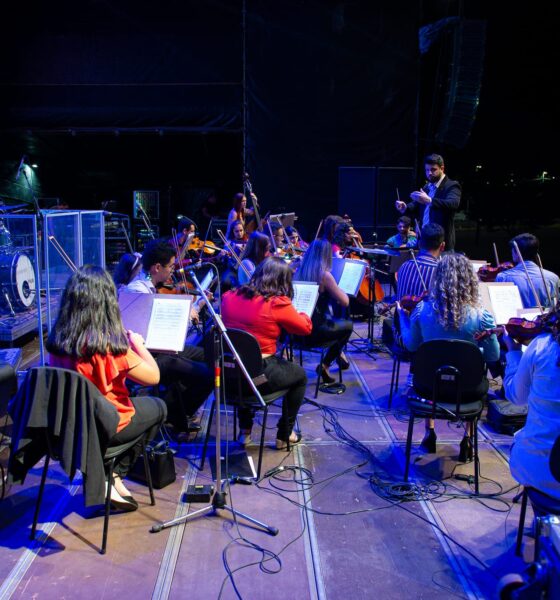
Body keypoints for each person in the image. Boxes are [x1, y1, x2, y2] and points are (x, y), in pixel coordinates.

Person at [46, 266, 167, 511]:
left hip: (70, 426)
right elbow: (154, 376)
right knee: (159, 407)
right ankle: (112, 473)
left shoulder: (57, 339)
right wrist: (138, 344)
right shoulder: (110, 347)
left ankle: (109, 477)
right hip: (104, 425)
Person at [400, 253, 500, 456]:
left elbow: (411, 346)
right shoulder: (482, 316)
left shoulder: (421, 309)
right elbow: (493, 356)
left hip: (428, 388)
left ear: (437, 279)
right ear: (470, 280)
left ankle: (430, 433)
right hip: (468, 390)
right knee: (473, 372)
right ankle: (467, 439)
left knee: (432, 367)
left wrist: (402, 317)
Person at [221, 257, 312, 448]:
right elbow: (305, 329)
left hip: (227, 378)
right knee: (300, 376)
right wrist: (301, 313)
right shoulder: (276, 303)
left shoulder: (229, 296)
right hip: (257, 379)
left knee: (242, 360)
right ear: (281, 281)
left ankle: (244, 432)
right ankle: (284, 434)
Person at [126, 240, 213, 433]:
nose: (173, 271)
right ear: (157, 267)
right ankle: (176, 413)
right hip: (149, 356)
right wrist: (190, 313)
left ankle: (177, 407)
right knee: (208, 374)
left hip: (158, 349)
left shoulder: (150, 284)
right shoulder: (138, 291)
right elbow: (156, 335)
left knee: (209, 357)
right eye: (171, 266)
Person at [502, 303, 560, 501]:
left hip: (540, 470)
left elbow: (517, 398)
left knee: (522, 438)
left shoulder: (543, 346)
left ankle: (544, 520)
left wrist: (514, 352)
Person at [295, 239, 353, 383]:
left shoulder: (298, 271)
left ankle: (336, 357)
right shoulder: (324, 275)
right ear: (326, 255)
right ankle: (325, 364)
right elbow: (345, 301)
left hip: (296, 330)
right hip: (315, 331)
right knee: (347, 326)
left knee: (334, 326)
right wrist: (338, 288)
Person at [395, 153, 461, 251]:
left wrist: (429, 200)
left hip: (441, 241)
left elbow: (453, 204)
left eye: (433, 169)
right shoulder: (427, 187)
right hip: (424, 239)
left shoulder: (451, 185)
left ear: (442, 168)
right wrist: (405, 207)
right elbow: (417, 204)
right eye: (427, 170)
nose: (429, 173)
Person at [496, 233, 559, 308]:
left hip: (515, 319)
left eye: (512, 251)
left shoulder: (503, 277)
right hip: (544, 319)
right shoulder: (553, 278)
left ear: (516, 253)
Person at [396, 223, 444, 301]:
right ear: (442, 246)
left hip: (400, 312)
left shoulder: (403, 266)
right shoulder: (440, 271)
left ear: (419, 244)